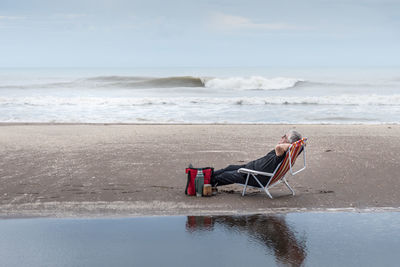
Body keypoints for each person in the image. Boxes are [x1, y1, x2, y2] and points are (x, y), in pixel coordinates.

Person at [211, 130, 302, 188]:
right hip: (251, 169)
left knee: (224, 176)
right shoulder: (290, 153)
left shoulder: (282, 152)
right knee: (229, 168)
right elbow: (301, 146)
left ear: (288, 142)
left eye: (284, 137)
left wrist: (291, 145)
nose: (281, 137)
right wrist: (294, 145)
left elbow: (278, 147)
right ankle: (206, 175)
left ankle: (203, 183)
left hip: (254, 176)